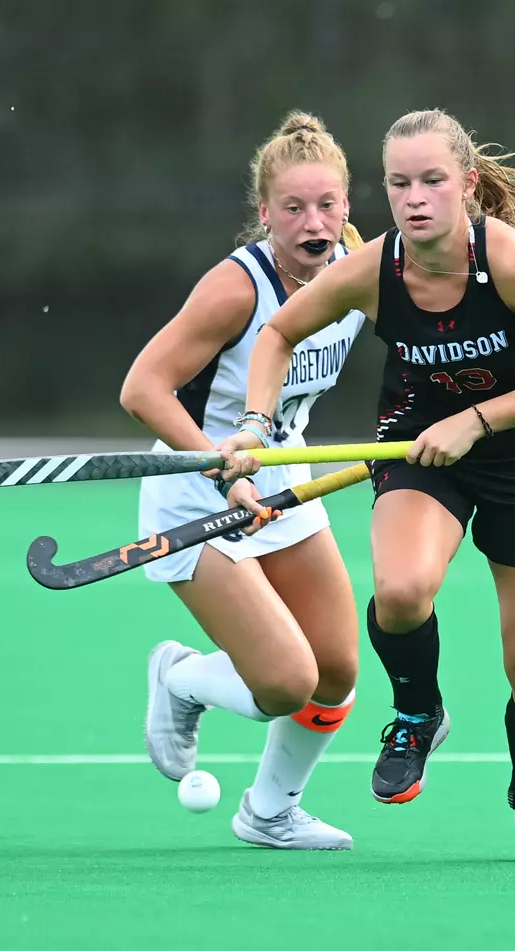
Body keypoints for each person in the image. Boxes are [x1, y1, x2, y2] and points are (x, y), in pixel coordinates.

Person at [223, 108, 515, 863]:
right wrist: (256, 425)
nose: (414, 198)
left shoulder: (508, 262)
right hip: (414, 447)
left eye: (431, 180)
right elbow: (276, 334)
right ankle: (416, 712)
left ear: (464, 184)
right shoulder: (372, 268)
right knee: (399, 592)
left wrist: (479, 421)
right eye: (399, 183)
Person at [119, 111, 366, 850]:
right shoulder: (236, 289)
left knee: (336, 673)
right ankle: (181, 678)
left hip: (284, 484)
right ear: (264, 213)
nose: (310, 221)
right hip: (197, 496)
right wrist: (219, 468)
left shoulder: (358, 264)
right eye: (292, 208)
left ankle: (268, 813)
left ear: (349, 207)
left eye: (326, 205)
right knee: (285, 684)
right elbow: (143, 389)